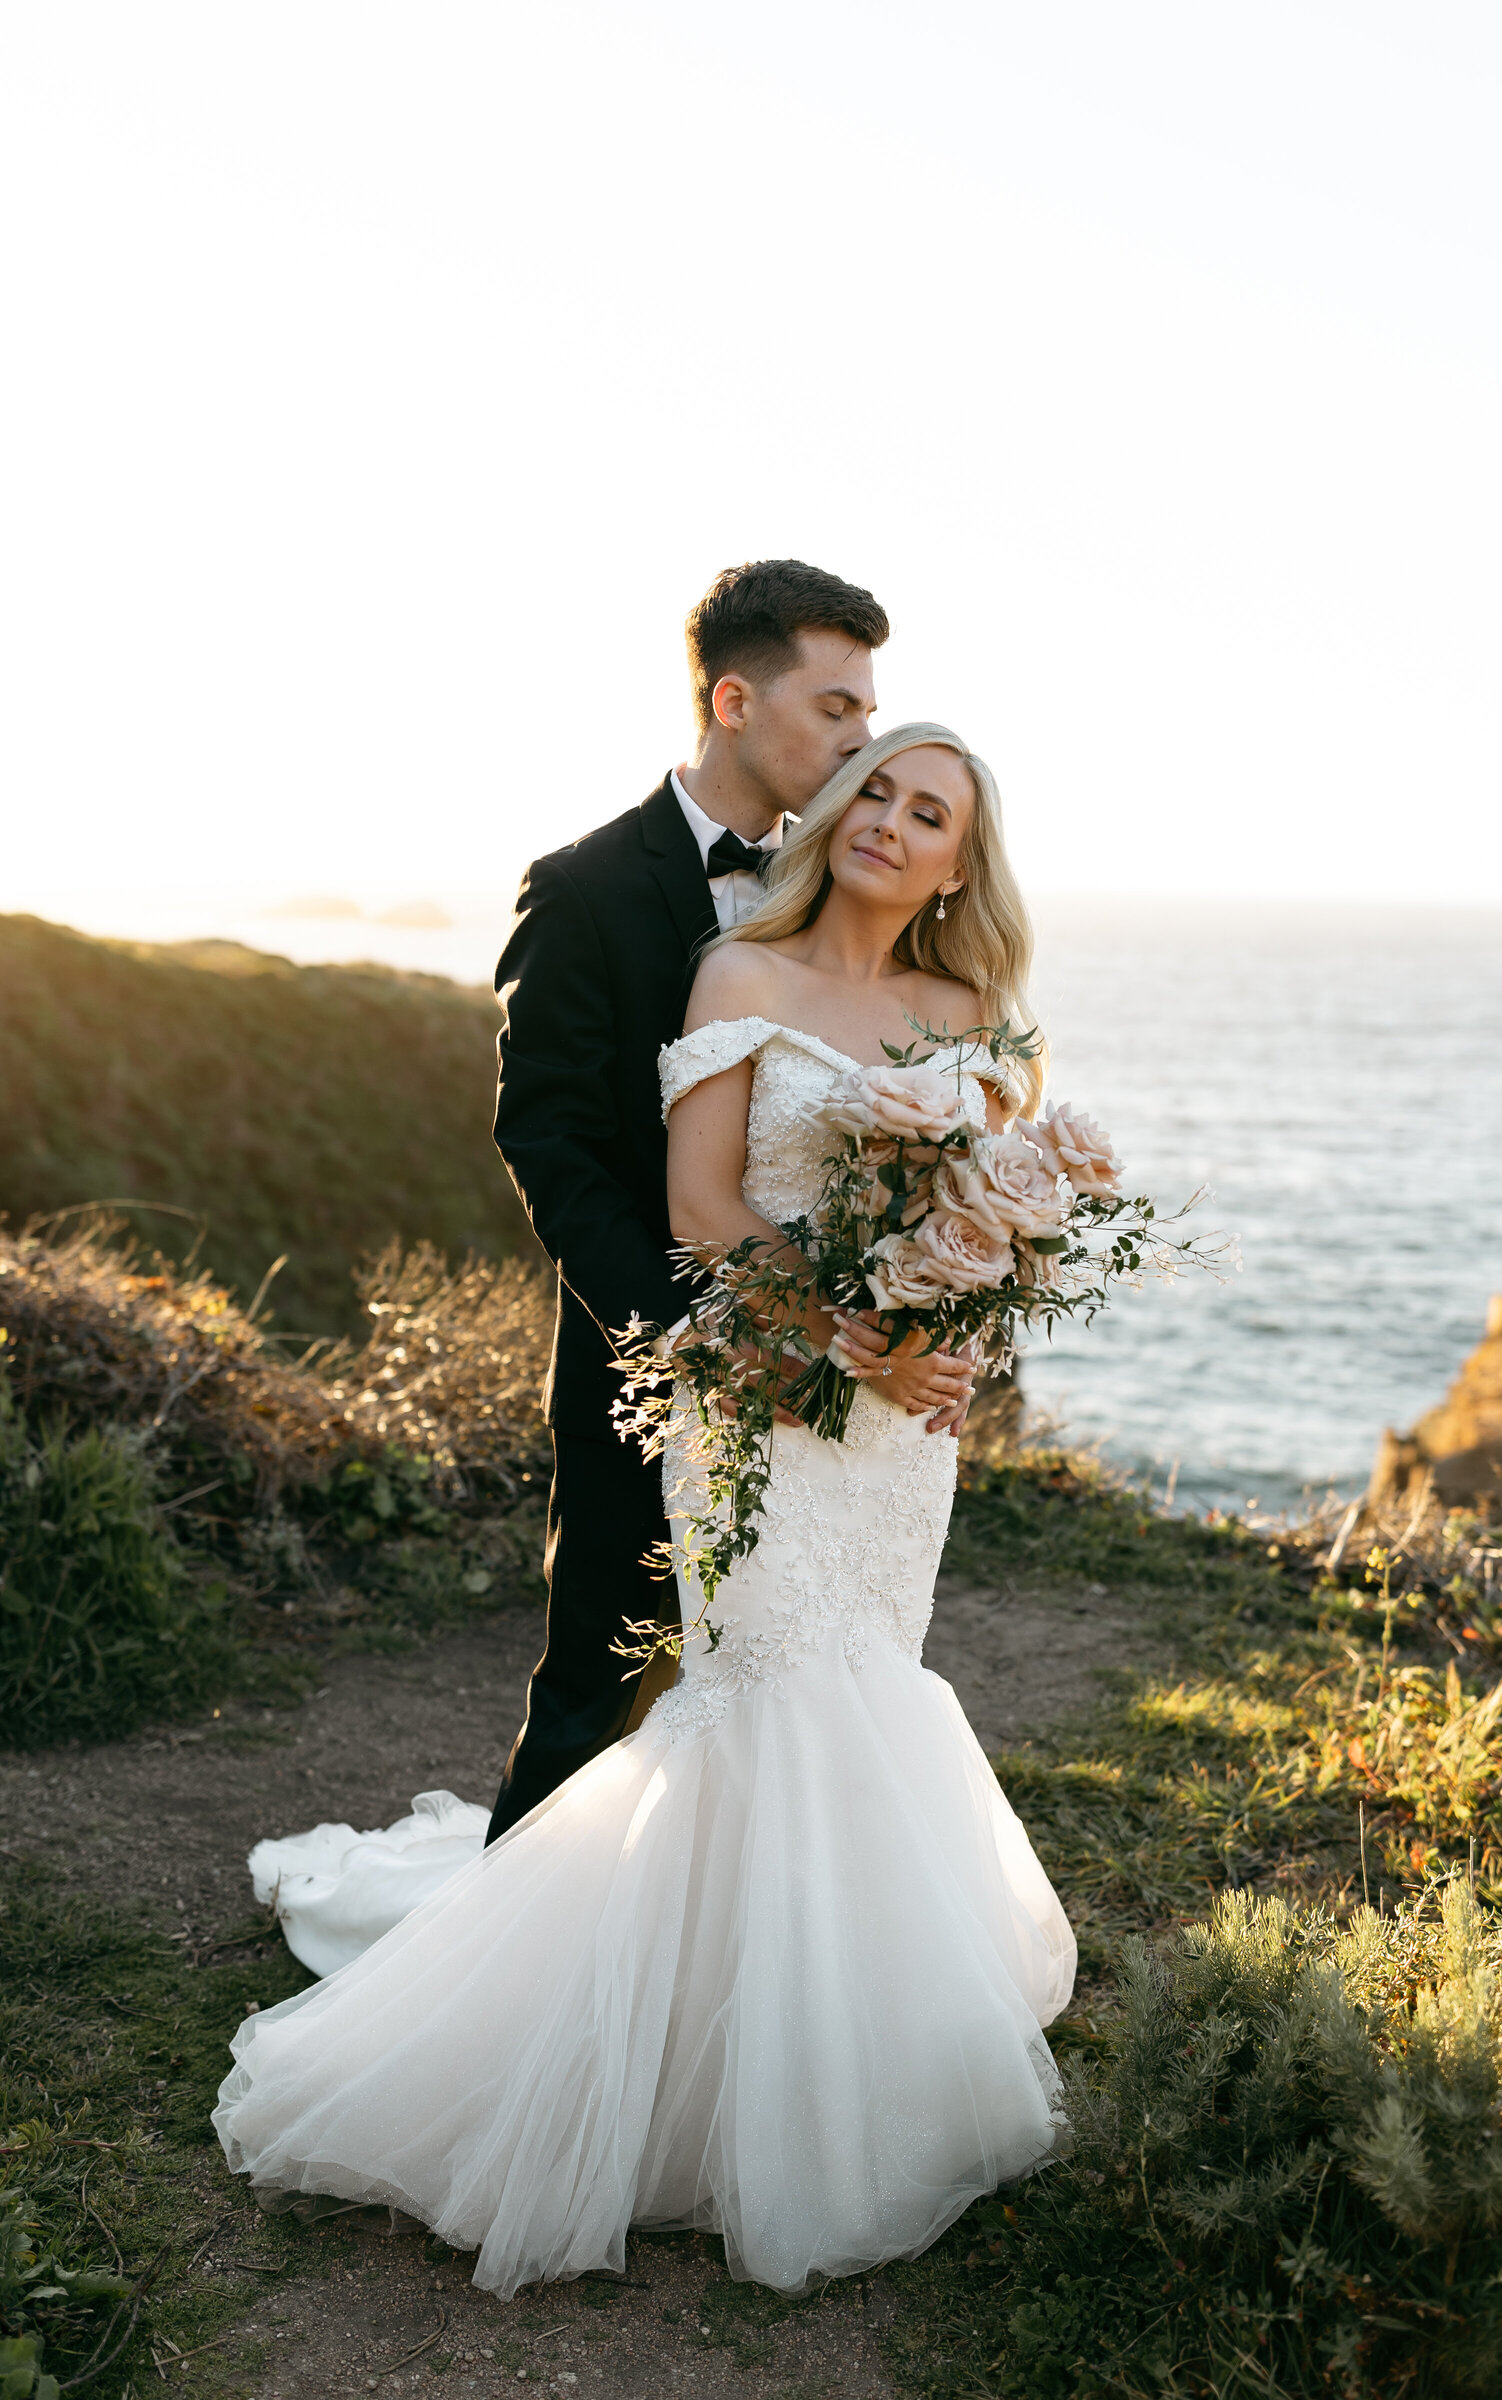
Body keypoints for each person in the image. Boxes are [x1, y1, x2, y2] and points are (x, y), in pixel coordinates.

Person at [213, 722, 1076, 2296]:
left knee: (868, 1690)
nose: (886, 818)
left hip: (897, 1445)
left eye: (926, 809)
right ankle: (666, 2077)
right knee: (760, 1703)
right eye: (873, 785)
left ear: (965, 858)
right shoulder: (740, 971)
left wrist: (950, 1348)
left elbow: (989, 1229)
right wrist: (844, 1331)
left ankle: (833, 2043)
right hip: (759, 1403)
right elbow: (701, 1207)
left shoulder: (971, 1018)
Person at [482, 559, 973, 1842]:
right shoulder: (585, 890)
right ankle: (513, 1981)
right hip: (647, 1360)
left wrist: (932, 1315)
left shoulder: (869, 894)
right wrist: (684, 1338)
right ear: (735, 700)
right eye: (835, 710)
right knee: (603, 1671)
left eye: (870, 717)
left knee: (794, 1696)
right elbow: (550, 1147)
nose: (860, 742)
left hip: (836, 1395)